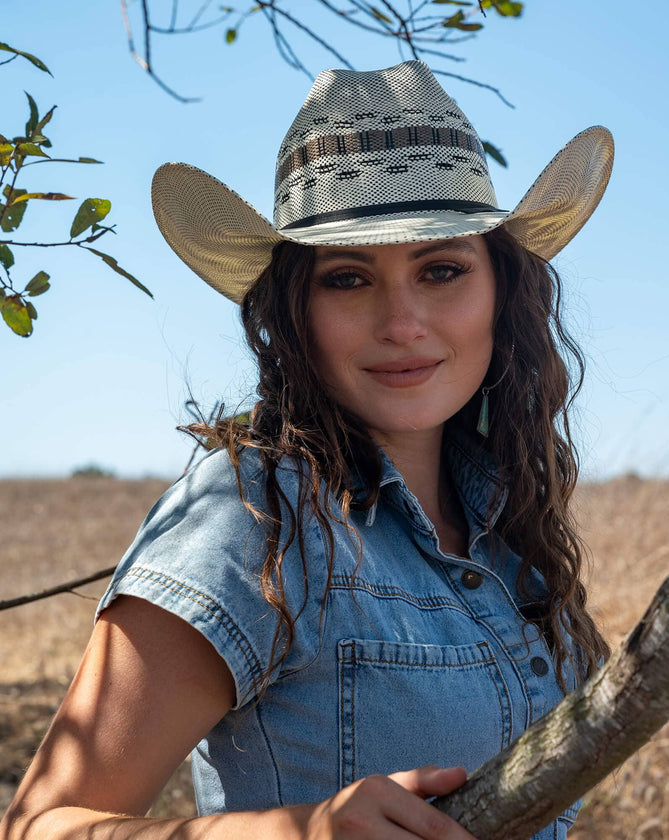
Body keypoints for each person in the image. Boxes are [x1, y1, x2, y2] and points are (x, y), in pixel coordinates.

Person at [1, 60, 613, 840]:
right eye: (349, 279)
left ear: (503, 290)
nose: (402, 322)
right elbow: (36, 828)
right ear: (294, 310)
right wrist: (297, 833)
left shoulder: (508, 520)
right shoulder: (253, 512)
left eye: (442, 270)